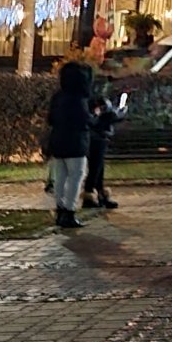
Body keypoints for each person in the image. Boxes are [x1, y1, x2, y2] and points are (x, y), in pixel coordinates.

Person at [45, 61, 94, 229]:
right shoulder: (79, 99)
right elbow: (84, 122)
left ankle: (60, 209)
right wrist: (96, 118)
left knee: (60, 177)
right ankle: (69, 211)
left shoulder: (59, 96)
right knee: (76, 176)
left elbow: (50, 118)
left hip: (58, 140)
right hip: (76, 143)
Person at [81, 86, 124, 211]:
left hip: (100, 136)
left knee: (98, 167)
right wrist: (107, 116)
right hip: (96, 137)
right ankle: (90, 194)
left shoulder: (97, 98)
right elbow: (94, 119)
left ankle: (98, 193)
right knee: (95, 167)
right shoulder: (91, 99)